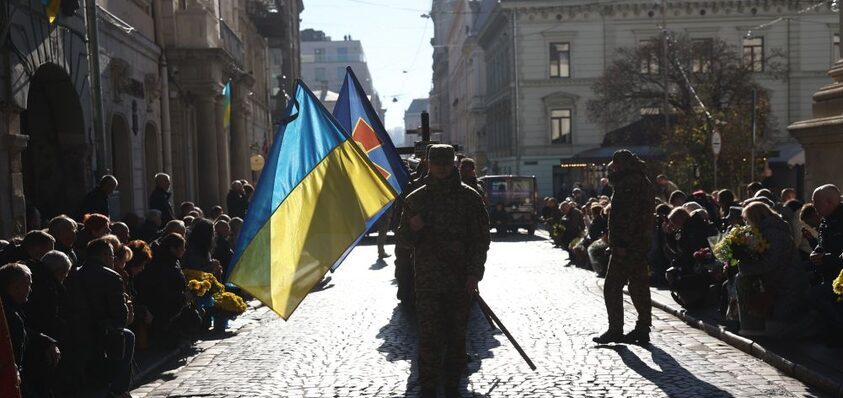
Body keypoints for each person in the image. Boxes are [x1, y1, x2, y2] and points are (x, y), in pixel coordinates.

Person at [397, 144, 490, 397]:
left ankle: (452, 384)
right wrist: (413, 229)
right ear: (428, 164)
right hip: (427, 282)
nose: (441, 168)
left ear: (453, 165)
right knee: (428, 336)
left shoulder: (469, 198)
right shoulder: (416, 200)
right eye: (436, 164)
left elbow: (480, 240)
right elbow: (404, 240)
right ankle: (427, 385)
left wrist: (473, 274)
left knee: (456, 335)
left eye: (446, 164)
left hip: (460, 281)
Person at [593, 150, 654, 345]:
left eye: (615, 164)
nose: (612, 167)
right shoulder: (643, 181)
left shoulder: (627, 184)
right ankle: (643, 328)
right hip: (639, 244)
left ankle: (616, 329)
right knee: (639, 287)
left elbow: (626, 218)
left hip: (627, 247)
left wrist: (620, 244)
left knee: (612, 287)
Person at [61, 238, 133, 396]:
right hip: (101, 333)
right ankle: (119, 389)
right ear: (105, 254)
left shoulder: (74, 273)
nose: (113, 259)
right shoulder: (111, 276)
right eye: (112, 255)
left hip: (76, 331)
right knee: (127, 336)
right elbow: (120, 316)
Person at [736, 202, 809, 337]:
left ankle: (753, 324)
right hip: (781, 281)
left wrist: (745, 268)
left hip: (786, 283)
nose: (747, 225)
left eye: (747, 220)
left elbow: (770, 263)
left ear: (755, 218)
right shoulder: (771, 230)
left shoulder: (772, 233)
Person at [0, 262, 61, 398]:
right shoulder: (11, 316)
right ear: (15, 287)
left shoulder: (9, 309)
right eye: (28, 285)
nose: (30, 290)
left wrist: (45, 341)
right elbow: (14, 357)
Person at [135, 233, 198, 348]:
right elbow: (162, 291)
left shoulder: (174, 260)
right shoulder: (161, 264)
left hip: (177, 300)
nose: (184, 250)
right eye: (182, 248)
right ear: (173, 248)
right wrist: (183, 297)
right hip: (163, 307)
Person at [808, 184, 843, 340]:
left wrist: (826, 258)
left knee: (816, 295)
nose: (814, 208)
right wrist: (816, 252)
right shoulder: (826, 221)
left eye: (817, 204)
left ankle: (837, 332)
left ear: (829, 202)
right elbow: (823, 244)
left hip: (839, 275)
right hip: (827, 272)